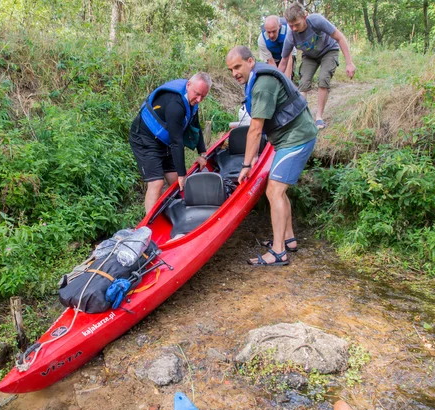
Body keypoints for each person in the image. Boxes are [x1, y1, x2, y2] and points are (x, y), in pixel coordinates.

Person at [226, 46, 318, 266]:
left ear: (250, 61)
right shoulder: (255, 79)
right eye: (231, 69)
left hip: (296, 139)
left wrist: (247, 164)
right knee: (279, 189)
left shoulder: (263, 85)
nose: (234, 73)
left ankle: (278, 253)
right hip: (289, 138)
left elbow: (256, 129)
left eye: (238, 66)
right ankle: (288, 239)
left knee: (274, 190)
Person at [129, 73, 212, 213]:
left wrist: (202, 153)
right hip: (144, 138)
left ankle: (174, 211)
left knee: (174, 180)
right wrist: (182, 174)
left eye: (203, 96)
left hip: (163, 139)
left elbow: (195, 126)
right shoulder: (175, 105)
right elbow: (176, 142)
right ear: (188, 85)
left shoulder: (192, 101)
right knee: (156, 183)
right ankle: (149, 228)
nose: (199, 99)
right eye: (197, 94)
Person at [278, 2, 356, 129]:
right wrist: (276, 81)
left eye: (297, 24)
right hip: (309, 56)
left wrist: (349, 63)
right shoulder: (290, 35)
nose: (294, 29)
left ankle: (319, 117)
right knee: (303, 83)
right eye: (291, 26)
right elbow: (283, 61)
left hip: (328, 50)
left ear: (304, 17)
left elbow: (340, 37)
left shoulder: (316, 21)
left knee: (323, 79)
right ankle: (303, 118)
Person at [257, 15, 295, 80]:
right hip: (273, 58)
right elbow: (271, 62)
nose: (271, 35)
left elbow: (289, 58)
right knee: (273, 78)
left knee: (287, 79)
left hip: (289, 55)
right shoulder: (261, 40)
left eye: (274, 31)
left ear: (279, 26)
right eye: (268, 32)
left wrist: (287, 78)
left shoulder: (288, 31)